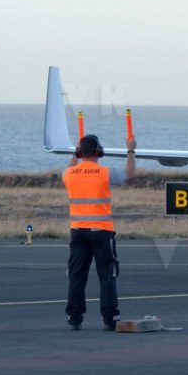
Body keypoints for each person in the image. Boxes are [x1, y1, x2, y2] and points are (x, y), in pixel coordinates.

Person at [63, 133, 136, 331]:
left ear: (79, 152)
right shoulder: (105, 172)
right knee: (107, 275)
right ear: (98, 152)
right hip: (101, 231)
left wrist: (76, 151)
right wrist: (130, 150)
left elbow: (71, 165)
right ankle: (109, 318)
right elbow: (129, 175)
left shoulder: (68, 173)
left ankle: (74, 317)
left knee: (77, 275)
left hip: (78, 231)